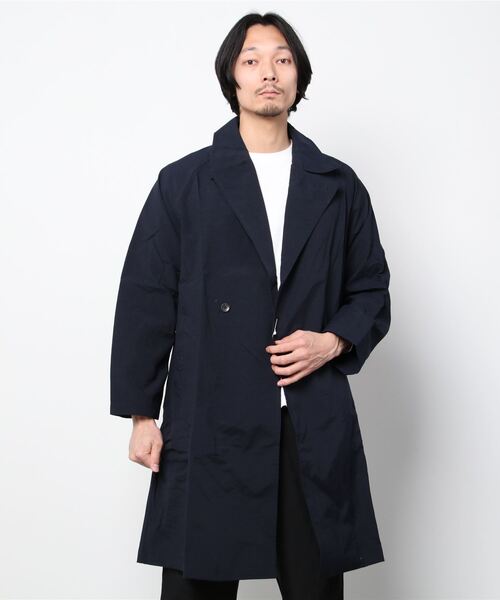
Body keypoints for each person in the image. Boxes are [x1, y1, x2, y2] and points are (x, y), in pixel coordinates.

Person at [110, 11, 391, 600]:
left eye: (282, 59)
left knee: (315, 587)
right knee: (197, 583)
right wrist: (141, 415)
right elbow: (146, 297)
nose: (269, 72)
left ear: (298, 77)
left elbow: (370, 288)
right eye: (252, 59)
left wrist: (332, 342)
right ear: (232, 77)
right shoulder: (184, 182)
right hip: (209, 415)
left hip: (308, 416)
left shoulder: (338, 184)